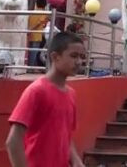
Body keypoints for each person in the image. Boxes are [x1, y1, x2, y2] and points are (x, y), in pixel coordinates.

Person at [6, 32, 86, 167]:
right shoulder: (37, 91)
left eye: (81, 57)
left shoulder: (71, 94)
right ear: (55, 57)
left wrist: (75, 159)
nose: (79, 62)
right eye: (73, 56)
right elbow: (13, 141)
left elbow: (66, 136)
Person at [27, 0, 49, 68]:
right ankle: (31, 68)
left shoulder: (32, 12)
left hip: (30, 35)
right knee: (34, 53)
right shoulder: (44, 14)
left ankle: (32, 67)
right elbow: (40, 23)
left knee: (30, 52)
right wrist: (32, 29)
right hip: (37, 35)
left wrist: (29, 30)